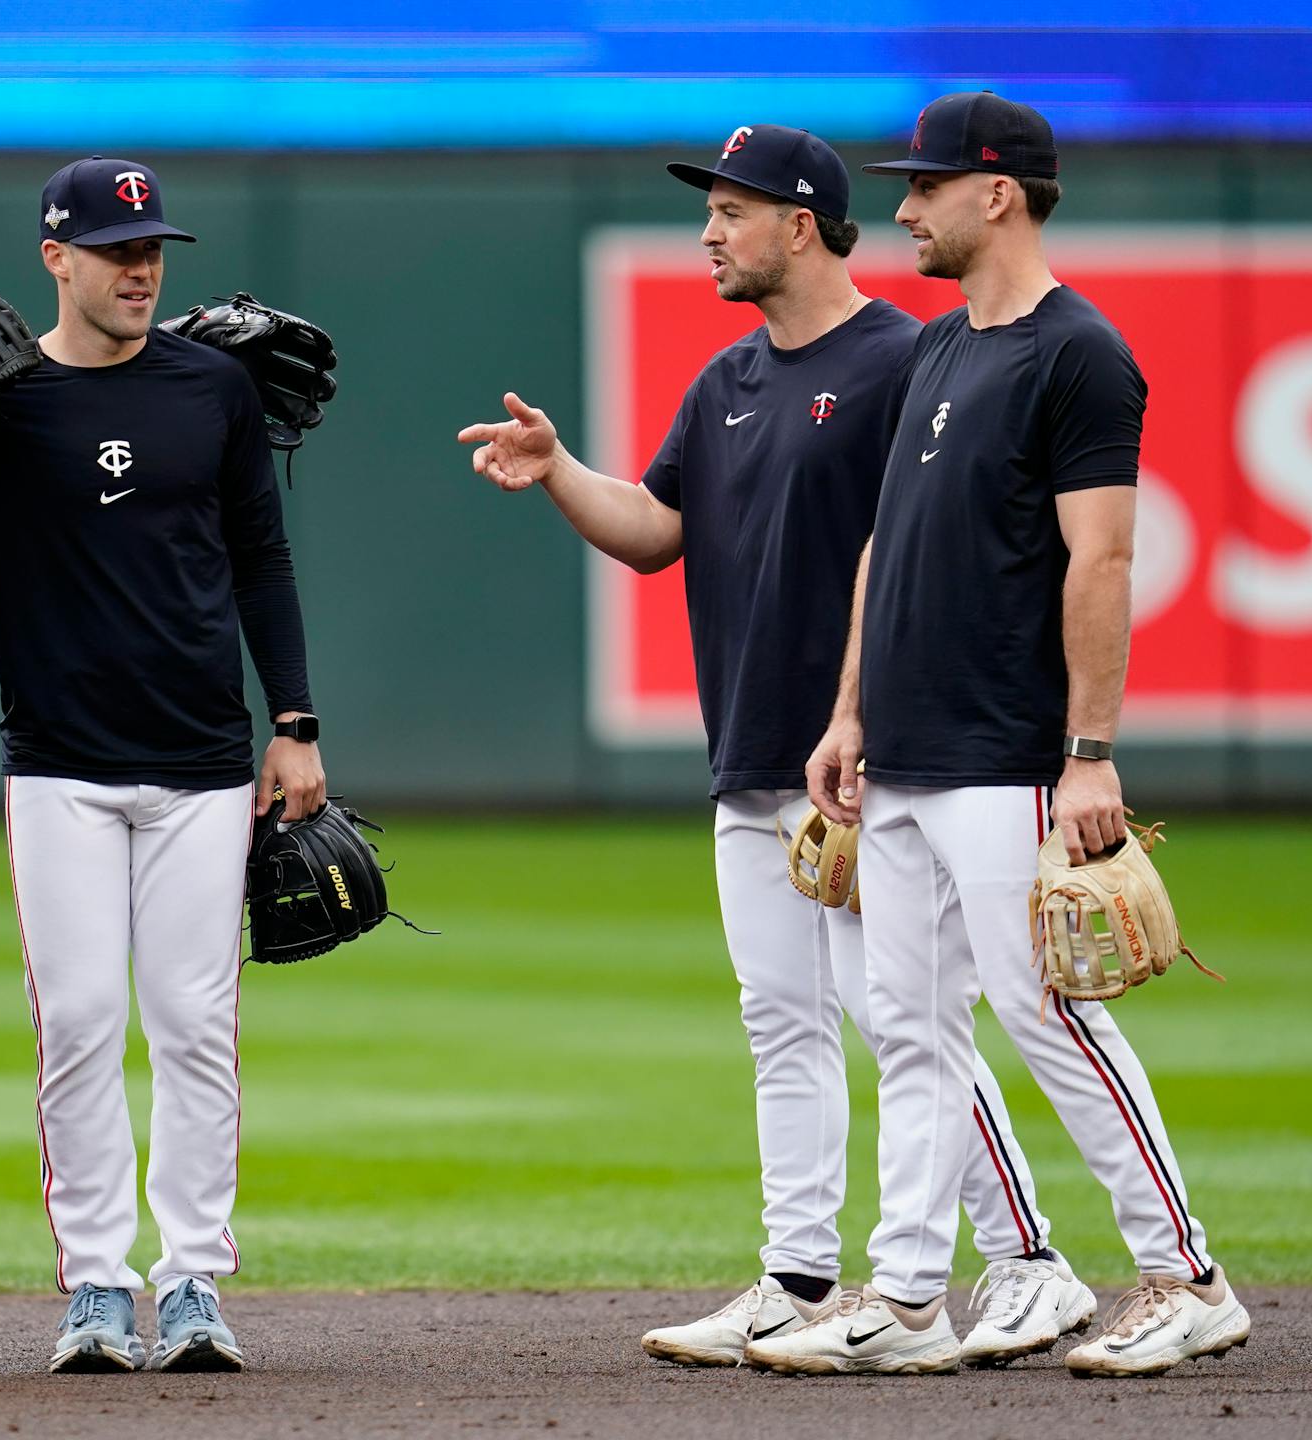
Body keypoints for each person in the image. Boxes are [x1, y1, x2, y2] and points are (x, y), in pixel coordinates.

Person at [456, 124, 1084, 1370]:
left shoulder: (909, 360)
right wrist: (562, 469)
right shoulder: (728, 379)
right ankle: (798, 1277)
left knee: (901, 1019)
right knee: (782, 1019)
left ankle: (1027, 1260)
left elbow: (965, 548)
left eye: (731, 211)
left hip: (871, 762)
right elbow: (653, 530)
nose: (709, 233)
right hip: (750, 753)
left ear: (801, 224)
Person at [756, 91, 1249, 1378]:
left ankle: (1184, 1274)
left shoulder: (1078, 352)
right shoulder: (941, 350)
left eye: (924, 187)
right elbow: (884, 547)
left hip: (1007, 749)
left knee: (1047, 1015)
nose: (903, 209)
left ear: (1000, 195)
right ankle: (913, 1296)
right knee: (911, 1024)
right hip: (905, 747)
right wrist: (851, 709)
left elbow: (1105, 555)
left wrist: (1089, 750)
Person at [0, 157, 324, 1373]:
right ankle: (96, 1284)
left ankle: (193, 1278)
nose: (141, 267)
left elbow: (261, 557)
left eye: (152, 248)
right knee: (84, 1022)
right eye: (114, 249)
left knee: (197, 1021)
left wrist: (296, 722)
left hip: (206, 760)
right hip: (57, 763)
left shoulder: (210, 386)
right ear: (56, 259)